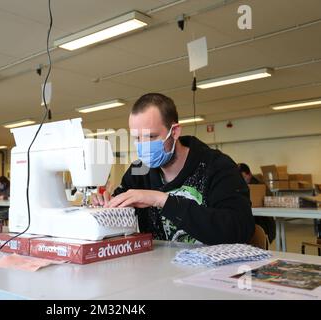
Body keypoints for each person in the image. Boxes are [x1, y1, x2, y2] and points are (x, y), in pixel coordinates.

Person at [92, 93, 255, 245]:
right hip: (158, 268)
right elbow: (119, 215)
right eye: (137, 138)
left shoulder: (217, 166)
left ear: (175, 131)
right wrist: (106, 205)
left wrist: (162, 200)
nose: (144, 146)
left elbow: (239, 230)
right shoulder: (138, 171)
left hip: (212, 269)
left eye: (151, 136)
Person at [238, 163, 276, 244]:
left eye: (244, 177)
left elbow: (269, 199)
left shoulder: (258, 184)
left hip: (262, 220)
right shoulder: (240, 185)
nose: (242, 180)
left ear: (249, 175)